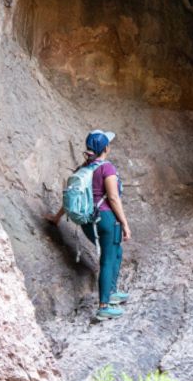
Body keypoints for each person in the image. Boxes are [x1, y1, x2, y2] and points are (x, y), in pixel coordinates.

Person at [47, 129, 132, 322]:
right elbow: (113, 197)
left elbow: (71, 197)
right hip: (106, 219)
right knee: (108, 259)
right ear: (106, 148)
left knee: (116, 252)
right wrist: (125, 224)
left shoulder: (83, 168)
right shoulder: (106, 168)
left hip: (87, 221)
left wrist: (57, 217)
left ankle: (111, 291)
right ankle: (104, 306)